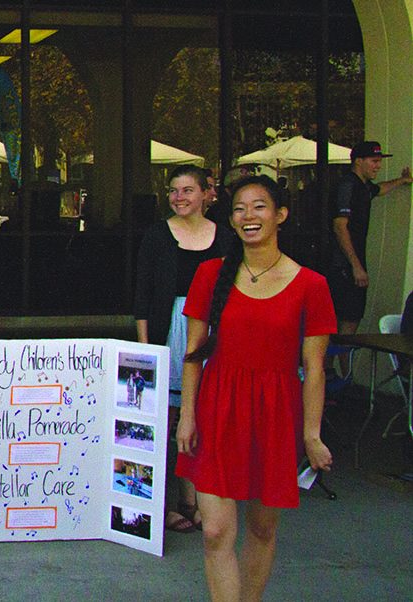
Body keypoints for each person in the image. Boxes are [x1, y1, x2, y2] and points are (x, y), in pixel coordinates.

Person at [176, 175, 336, 602]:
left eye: (259, 206)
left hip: (275, 414)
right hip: (216, 409)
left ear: (280, 215)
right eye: (240, 209)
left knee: (262, 528)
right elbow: (193, 354)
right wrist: (186, 416)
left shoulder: (311, 285)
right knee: (214, 530)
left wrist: (312, 433)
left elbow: (314, 368)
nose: (249, 216)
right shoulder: (210, 275)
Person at [134, 164, 232, 534]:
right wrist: (146, 349)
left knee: (201, 418)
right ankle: (157, 504)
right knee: (166, 420)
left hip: (210, 332)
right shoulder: (158, 236)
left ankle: (191, 499)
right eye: (174, 191)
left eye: (188, 190)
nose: (179, 197)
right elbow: (142, 294)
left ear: (207, 193)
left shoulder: (224, 237)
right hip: (168, 332)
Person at [328, 141, 412, 354]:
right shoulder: (347, 184)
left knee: (351, 319)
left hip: (353, 262)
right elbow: (340, 226)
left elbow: (379, 190)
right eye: (374, 161)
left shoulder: (363, 186)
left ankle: (340, 374)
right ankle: (335, 373)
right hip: (343, 264)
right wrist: (355, 266)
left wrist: (402, 180)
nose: (378, 166)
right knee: (344, 320)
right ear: (358, 161)